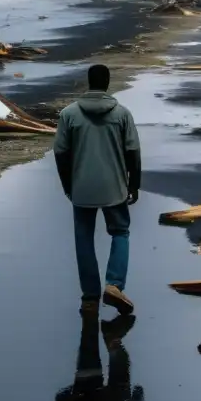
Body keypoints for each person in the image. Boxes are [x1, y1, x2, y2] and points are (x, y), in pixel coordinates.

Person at [54, 64, 141, 315]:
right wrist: (134, 185)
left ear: (89, 82)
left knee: (84, 238)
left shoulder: (69, 114)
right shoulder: (122, 114)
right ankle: (114, 284)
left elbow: (60, 153)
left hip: (82, 187)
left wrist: (67, 185)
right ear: (107, 83)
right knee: (120, 232)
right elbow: (133, 152)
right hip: (115, 187)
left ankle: (90, 297)